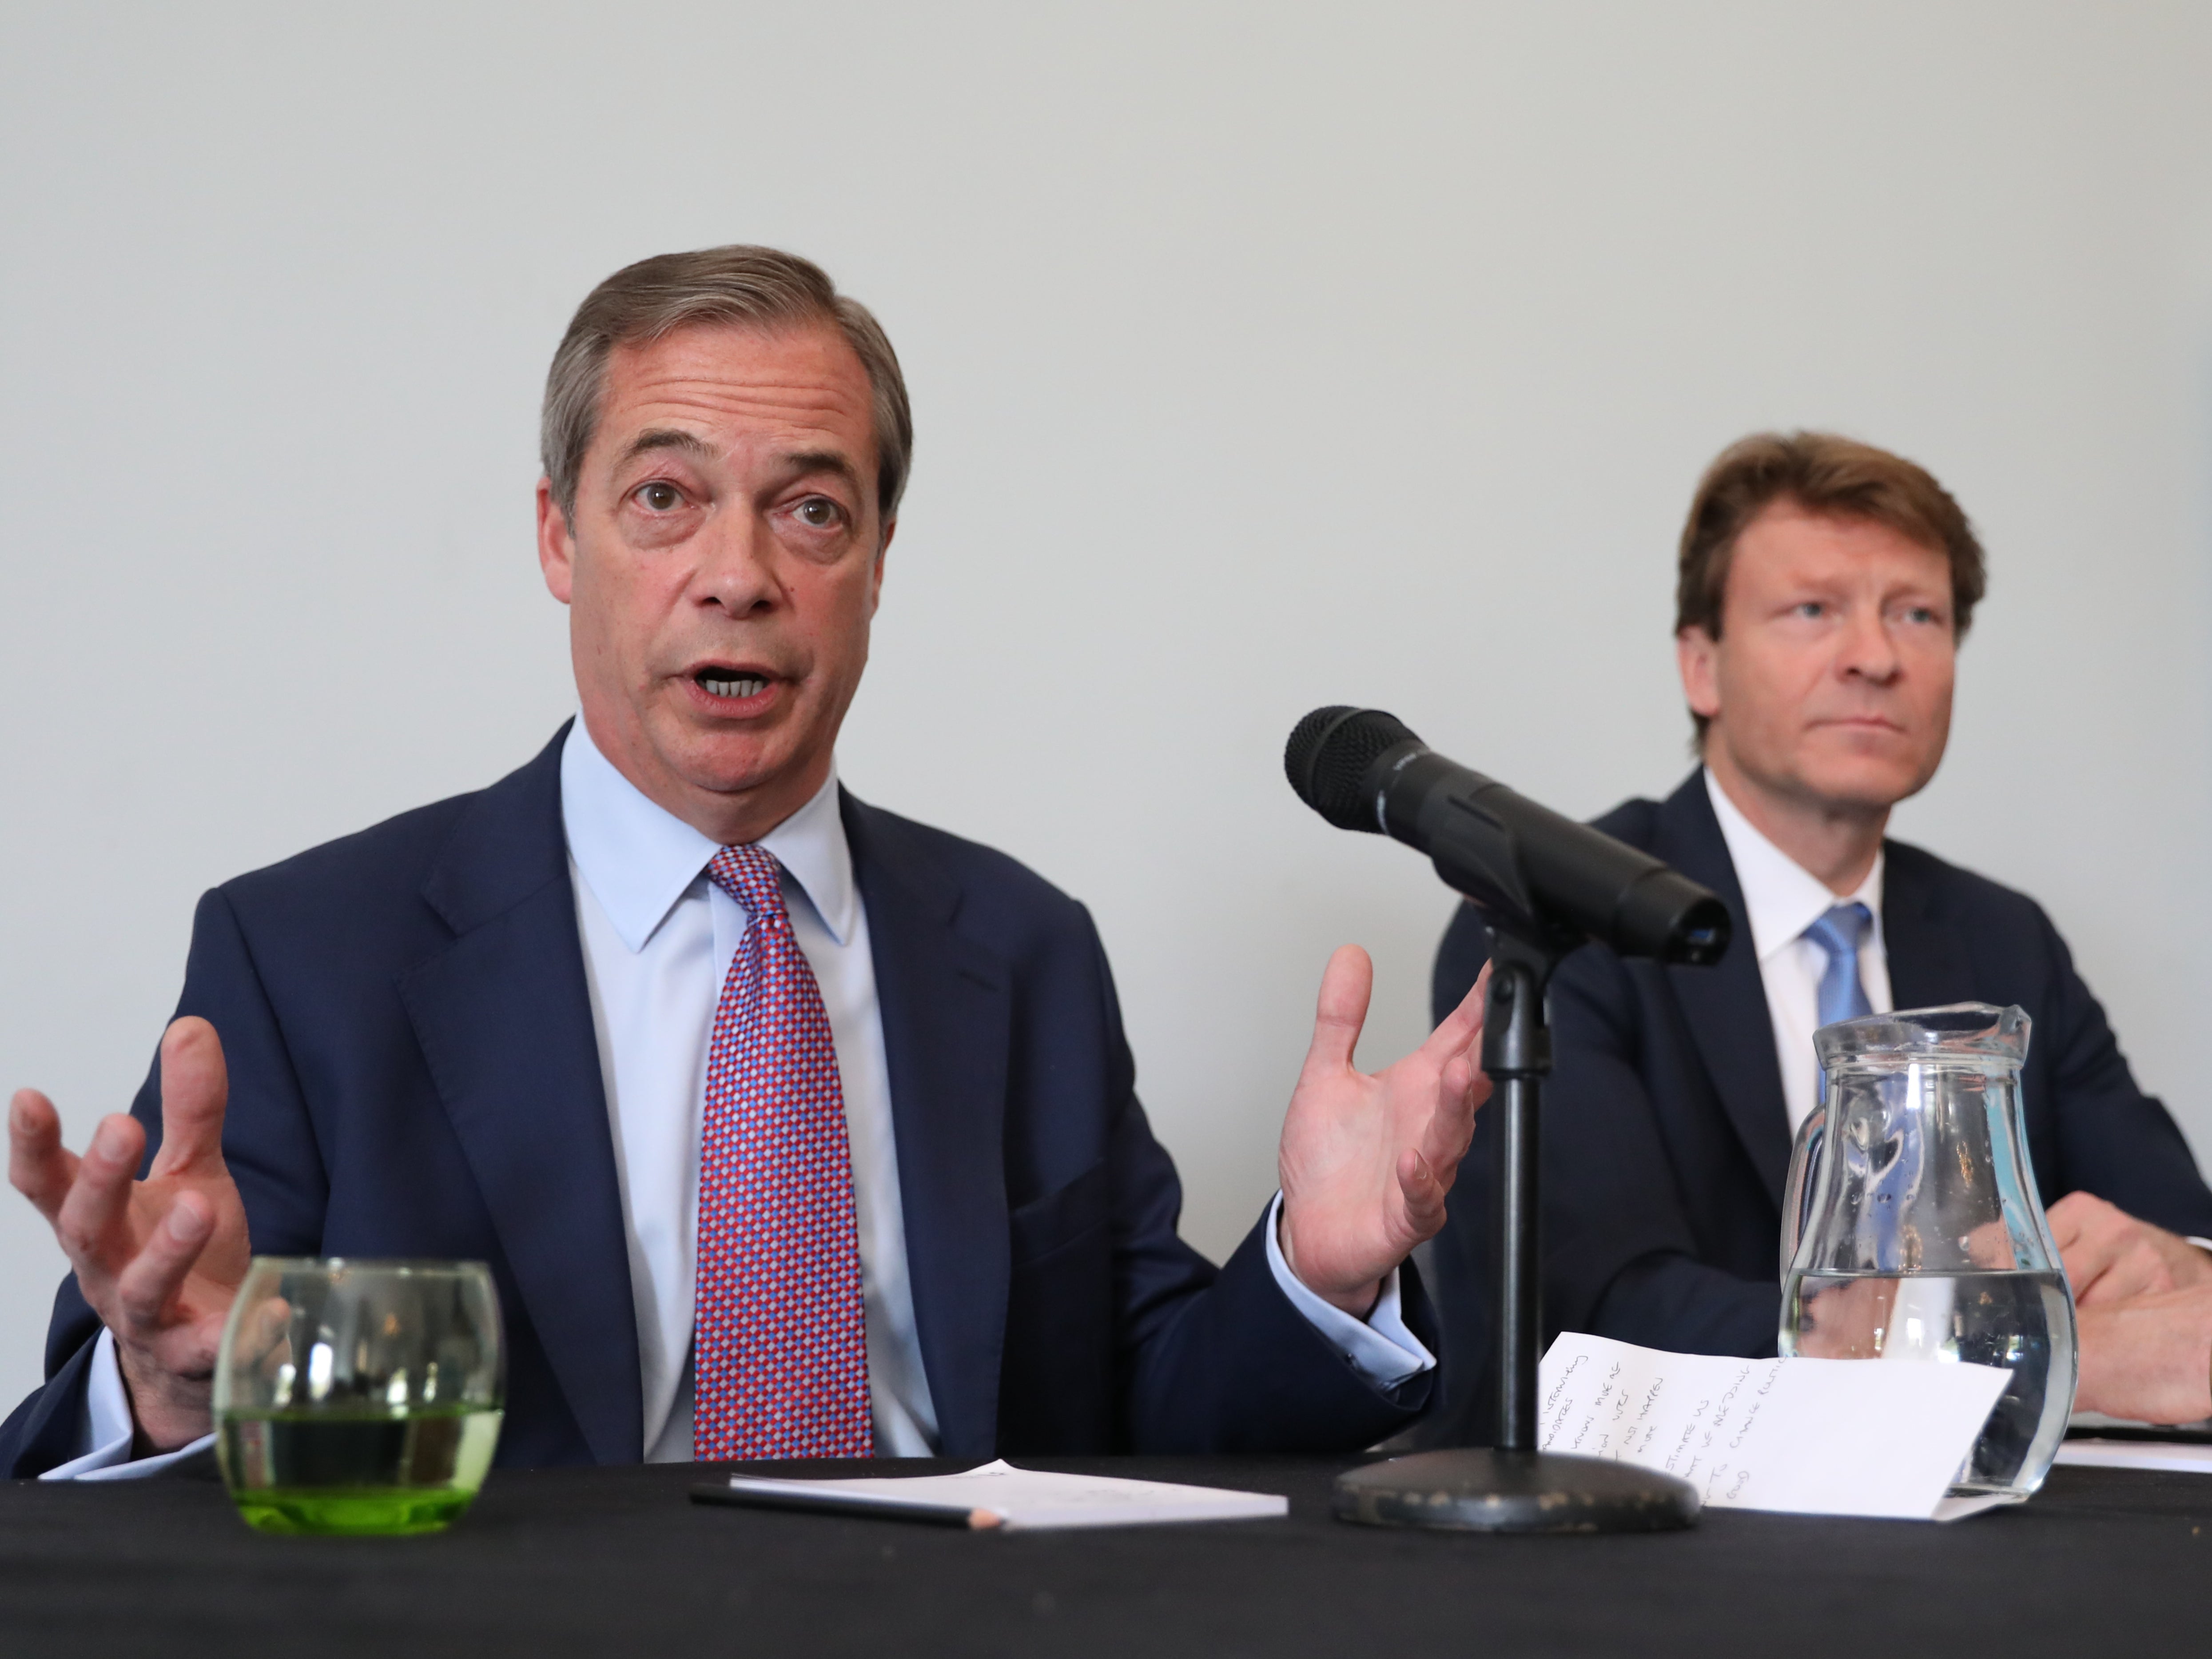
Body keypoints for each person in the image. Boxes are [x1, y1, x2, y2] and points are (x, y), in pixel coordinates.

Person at [1, 246, 1490, 1477]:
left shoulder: (1024, 949)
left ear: (879, 563)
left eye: (812, 510)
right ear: (556, 539)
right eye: (664, 497)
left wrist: (1322, 1265)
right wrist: (175, 1394)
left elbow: (1144, 1422)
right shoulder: (311, 958)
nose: (740, 573)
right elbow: (139, 1401)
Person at [1428, 430, 2212, 1433]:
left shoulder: (2004, 938)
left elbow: (2172, 1220)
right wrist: (2041, 1354)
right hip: (1644, 1539)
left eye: (1916, 615)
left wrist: (2183, 1268)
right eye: (1813, 611)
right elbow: (1603, 1307)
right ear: (1701, 665)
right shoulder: (1563, 919)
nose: (1876, 658)